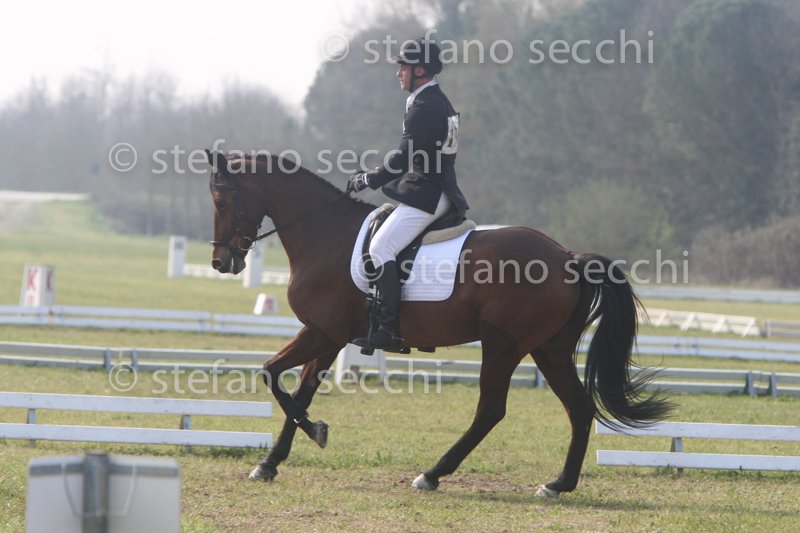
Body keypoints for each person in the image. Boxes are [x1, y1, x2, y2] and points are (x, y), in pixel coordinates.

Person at [347, 37, 469, 352]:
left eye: (403, 67)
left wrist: (369, 178)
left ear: (420, 70)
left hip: (429, 192)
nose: (398, 73)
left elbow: (403, 158)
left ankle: (389, 331)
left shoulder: (425, 106)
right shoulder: (435, 100)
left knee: (380, 247)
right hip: (438, 188)